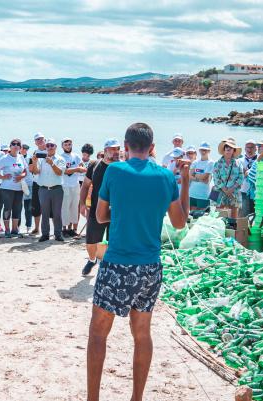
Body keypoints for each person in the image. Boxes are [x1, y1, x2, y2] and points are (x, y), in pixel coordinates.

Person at [89, 122, 189, 401]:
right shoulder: (166, 177)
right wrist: (186, 179)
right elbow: (180, 223)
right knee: (142, 332)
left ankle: (93, 398)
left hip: (118, 263)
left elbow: (99, 216)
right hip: (150, 266)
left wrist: (122, 215)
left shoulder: (114, 170)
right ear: (153, 148)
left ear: (125, 147)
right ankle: (136, 398)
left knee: (98, 332)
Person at [79, 138, 119, 276]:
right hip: (96, 209)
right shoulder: (94, 165)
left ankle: (107, 266)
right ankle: (92, 260)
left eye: (118, 149)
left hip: (116, 211)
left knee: (113, 241)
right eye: (113, 149)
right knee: (91, 242)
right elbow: (85, 185)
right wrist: (82, 204)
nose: (116, 152)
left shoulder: (122, 167)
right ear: (106, 150)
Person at [31, 138, 66, 242]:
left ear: (56, 147)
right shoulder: (41, 159)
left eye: (52, 145)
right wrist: (34, 162)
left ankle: (58, 234)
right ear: (45, 147)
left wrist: (52, 163)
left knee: (57, 213)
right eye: (48, 145)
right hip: (43, 189)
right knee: (44, 213)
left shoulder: (60, 159)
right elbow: (36, 172)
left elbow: (60, 173)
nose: (50, 147)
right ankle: (45, 234)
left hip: (57, 189)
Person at [0, 138, 27, 238]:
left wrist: (22, 176)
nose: (16, 146)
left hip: (19, 188)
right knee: (7, 209)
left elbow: (25, 170)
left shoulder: (21, 157)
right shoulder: (5, 158)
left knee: (17, 209)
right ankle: (7, 230)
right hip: (7, 188)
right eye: (13, 144)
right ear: (10, 146)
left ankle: (14, 230)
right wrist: (1, 177)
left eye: (18, 144)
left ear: (20, 147)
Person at [60, 138, 85, 237]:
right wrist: (77, 169)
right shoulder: (60, 157)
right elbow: (64, 171)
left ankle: (71, 229)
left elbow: (82, 166)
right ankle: (64, 229)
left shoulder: (76, 156)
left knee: (74, 207)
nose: (68, 146)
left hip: (75, 185)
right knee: (65, 207)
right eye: (66, 144)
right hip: (65, 185)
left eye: (69, 144)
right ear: (62, 146)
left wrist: (78, 168)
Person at [212, 139, 244, 217]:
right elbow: (215, 178)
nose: (228, 149)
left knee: (233, 218)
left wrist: (232, 189)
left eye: (231, 147)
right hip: (218, 191)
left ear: (234, 150)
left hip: (234, 192)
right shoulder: (217, 163)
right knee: (217, 216)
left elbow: (241, 177)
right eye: (226, 146)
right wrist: (225, 190)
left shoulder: (239, 163)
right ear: (224, 149)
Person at [29, 133, 48, 235]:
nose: (39, 141)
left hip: (48, 182)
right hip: (36, 182)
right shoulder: (34, 153)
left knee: (51, 207)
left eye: (41, 139)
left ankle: (52, 230)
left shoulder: (50, 149)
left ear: (44, 139)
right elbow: (32, 169)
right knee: (36, 206)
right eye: (37, 140)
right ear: (35, 142)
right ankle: (37, 228)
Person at [188, 142, 214, 210]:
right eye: (202, 150)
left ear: (209, 151)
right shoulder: (195, 162)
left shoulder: (211, 163)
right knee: (191, 218)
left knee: (202, 218)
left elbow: (205, 178)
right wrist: (199, 178)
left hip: (203, 195)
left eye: (205, 150)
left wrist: (195, 174)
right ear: (199, 150)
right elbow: (189, 175)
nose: (203, 151)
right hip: (192, 193)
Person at [239, 139, 258, 217]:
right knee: (244, 216)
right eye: (247, 147)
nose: (249, 149)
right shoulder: (239, 161)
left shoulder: (259, 161)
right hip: (243, 191)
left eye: (252, 147)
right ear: (245, 148)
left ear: (256, 149)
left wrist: (248, 172)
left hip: (256, 193)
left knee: (255, 216)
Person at [20, 144, 34, 233]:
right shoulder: (16, 157)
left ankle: (28, 227)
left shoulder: (30, 158)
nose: (24, 150)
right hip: (18, 184)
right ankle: (17, 227)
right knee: (18, 207)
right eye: (23, 148)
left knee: (28, 207)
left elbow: (32, 170)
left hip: (29, 184)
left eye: (26, 149)